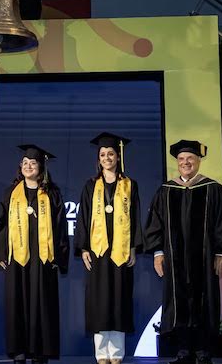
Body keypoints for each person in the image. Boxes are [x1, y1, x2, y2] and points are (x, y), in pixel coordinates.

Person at [144, 140, 222, 364]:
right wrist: (158, 253)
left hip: (205, 260)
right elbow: (155, 224)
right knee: (179, 303)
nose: (185, 162)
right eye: (181, 159)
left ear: (198, 161)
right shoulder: (166, 191)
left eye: (190, 158)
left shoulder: (213, 189)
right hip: (175, 260)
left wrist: (221, 253)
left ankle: (203, 351)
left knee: (204, 301)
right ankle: (183, 351)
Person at [0, 144, 69, 364]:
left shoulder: (52, 193)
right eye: (25, 163)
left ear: (41, 167)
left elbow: (60, 226)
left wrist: (59, 257)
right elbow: (1, 225)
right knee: (18, 303)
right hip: (18, 259)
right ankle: (19, 350)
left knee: (42, 304)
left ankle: (41, 351)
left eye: (33, 163)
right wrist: (0, 254)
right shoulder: (11, 193)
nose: (28, 166)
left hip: (43, 260)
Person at [74, 132, 143, 364]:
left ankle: (117, 353)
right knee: (100, 301)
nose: (107, 158)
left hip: (121, 251)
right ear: (99, 158)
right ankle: (101, 353)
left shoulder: (130, 185)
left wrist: (133, 247)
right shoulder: (90, 186)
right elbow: (83, 217)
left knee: (119, 300)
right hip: (98, 250)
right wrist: (84, 248)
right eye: (103, 154)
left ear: (118, 156)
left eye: (111, 154)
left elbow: (135, 216)